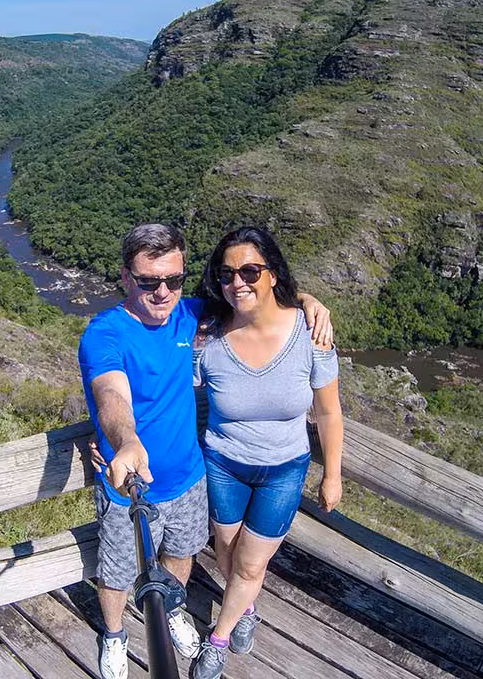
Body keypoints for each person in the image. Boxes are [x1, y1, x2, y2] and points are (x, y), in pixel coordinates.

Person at [79, 223, 332, 679]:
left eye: (173, 280)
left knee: (182, 555)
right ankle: (114, 634)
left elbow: (256, 293)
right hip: (129, 486)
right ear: (125, 278)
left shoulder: (194, 314)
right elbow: (110, 394)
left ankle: (174, 610)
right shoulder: (106, 334)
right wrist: (125, 440)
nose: (162, 292)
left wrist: (310, 303)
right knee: (117, 571)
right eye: (148, 281)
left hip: (191, 477)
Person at [189, 226, 344, 679]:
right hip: (223, 464)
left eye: (251, 271)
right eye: (227, 274)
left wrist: (331, 474)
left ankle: (217, 639)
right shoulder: (207, 340)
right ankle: (246, 606)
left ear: (272, 274)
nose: (238, 282)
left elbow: (329, 413)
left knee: (251, 562)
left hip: (283, 469)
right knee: (227, 552)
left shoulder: (310, 334)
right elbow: (165, 388)